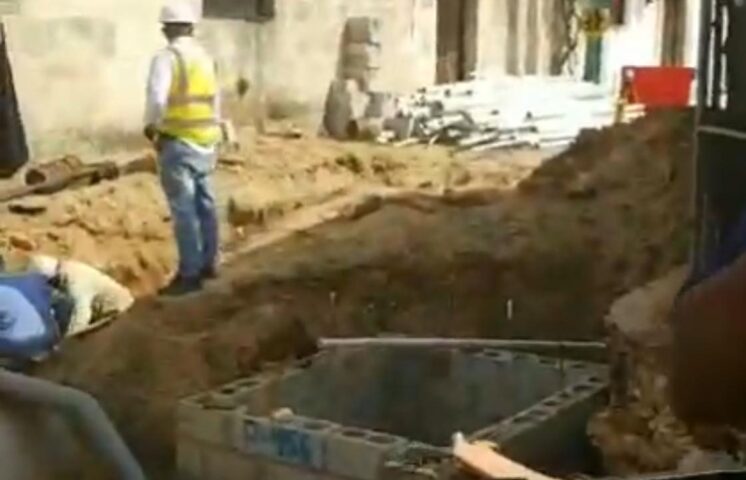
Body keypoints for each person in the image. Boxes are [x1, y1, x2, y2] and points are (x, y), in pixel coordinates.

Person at [144, 1, 222, 296]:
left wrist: (152, 126)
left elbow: (157, 97)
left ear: (166, 29)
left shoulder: (167, 58)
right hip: (206, 140)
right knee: (206, 204)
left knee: (184, 209)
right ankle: (211, 262)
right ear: (191, 27)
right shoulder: (205, 57)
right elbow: (215, 98)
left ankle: (190, 273)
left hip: (178, 140)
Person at [27, 255, 134, 337]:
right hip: (112, 313)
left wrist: (66, 344)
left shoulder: (74, 281)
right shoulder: (70, 269)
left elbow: (82, 316)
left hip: (120, 313)